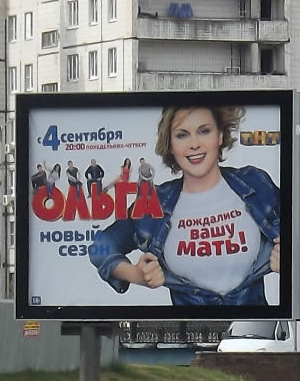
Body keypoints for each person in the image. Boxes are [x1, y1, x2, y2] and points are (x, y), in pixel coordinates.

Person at [88, 102, 282, 307]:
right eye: (182, 135)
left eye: (204, 131)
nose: (194, 144)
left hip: (255, 333)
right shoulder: (155, 202)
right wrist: (135, 275)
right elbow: (100, 247)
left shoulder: (254, 183)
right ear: (171, 145)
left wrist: (290, 257)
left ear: (220, 136)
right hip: (186, 333)